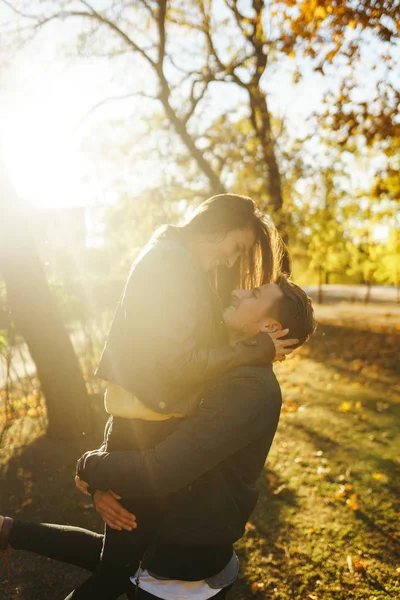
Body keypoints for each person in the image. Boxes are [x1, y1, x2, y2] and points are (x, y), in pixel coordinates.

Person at [0, 275, 316, 599]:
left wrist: (90, 466)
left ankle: (9, 530)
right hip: (156, 526)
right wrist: (101, 483)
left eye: (254, 294)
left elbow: (163, 470)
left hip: (179, 569)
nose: (237, 292)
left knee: (107, 573)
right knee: (109, 558)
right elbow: (147, 426)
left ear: (272, 328)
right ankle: (8, 530)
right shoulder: (225, 364)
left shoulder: (247, 389)